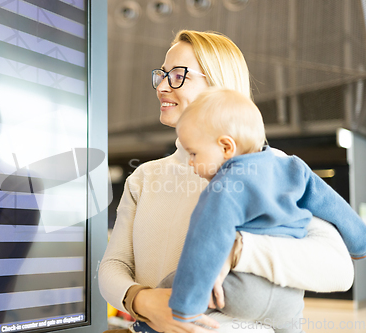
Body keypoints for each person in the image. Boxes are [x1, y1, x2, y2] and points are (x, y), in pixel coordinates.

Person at [99, 30, 354, 333]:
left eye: (178, 75)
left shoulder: (272, 169)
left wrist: (236, 249)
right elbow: (113, 267)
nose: (163, 86)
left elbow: (338, 270)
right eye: (162, 75)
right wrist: (142, 301)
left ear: (219, 85)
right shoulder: (145, 177)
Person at [160, 87, 366, 332]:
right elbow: (333, 206)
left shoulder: (224, 186)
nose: (191, 162)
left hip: (243, 292)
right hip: (289, 297)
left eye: (193, 153)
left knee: (167, 285)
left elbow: (204, 241)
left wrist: (185, 307)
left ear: (226, 147)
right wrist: (359, 242)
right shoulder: (292, 167)